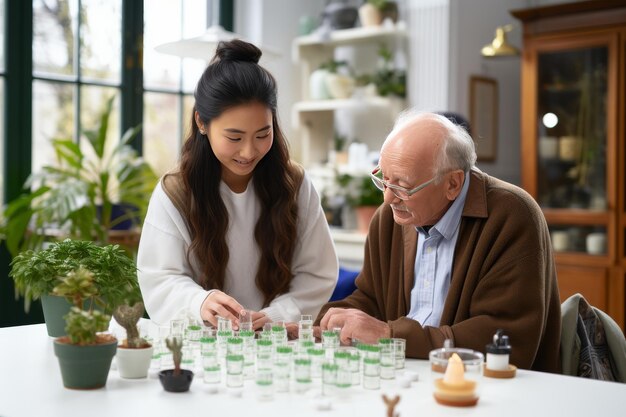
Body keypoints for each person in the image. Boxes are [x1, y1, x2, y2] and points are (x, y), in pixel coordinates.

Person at [316, 110, 561, 372]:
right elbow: (372, 299)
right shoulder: (389, 218)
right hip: (405, 373)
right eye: (383, 179)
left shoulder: (512, 215)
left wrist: (392, 336)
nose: (388, 198)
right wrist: (322, 328)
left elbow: (504, 337)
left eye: (402, 186)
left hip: (483, 386)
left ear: (453, 183)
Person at [138, 40, 338, 330]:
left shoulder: (294, 185)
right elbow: (158, 277)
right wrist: (199, 302)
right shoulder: (177, 192)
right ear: (202, 123)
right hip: (205, 345)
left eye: (262, 134)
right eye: (234, 137)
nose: (248, 152)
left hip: (278, 343)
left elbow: (317, 273)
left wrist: (274, 316)